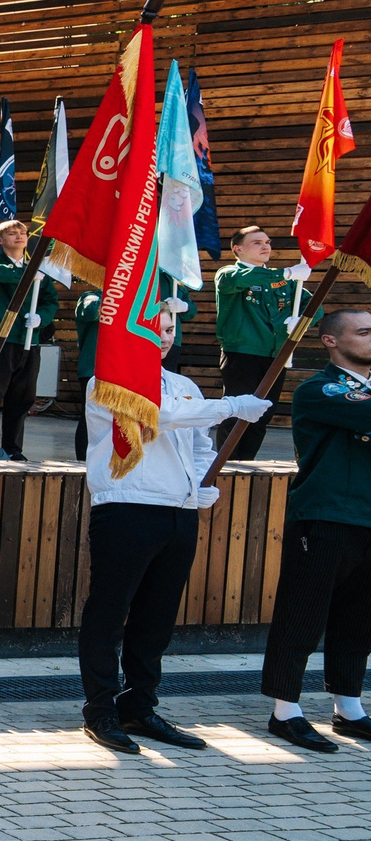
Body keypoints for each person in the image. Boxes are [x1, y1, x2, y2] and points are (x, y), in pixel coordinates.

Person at [76, 311, 266, 754]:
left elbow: (201, 442)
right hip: (127, 506)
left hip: (178, 512)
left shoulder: (184, 385)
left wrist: (202, 483)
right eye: (153, 329)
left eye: (168, 330)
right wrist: (232, 405)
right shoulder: (108, 381)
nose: (163, 338)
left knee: (156, 618)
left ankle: (139, 705)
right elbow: (160, 416)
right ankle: (100, 709)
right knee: (108, 613)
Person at [257, 307, 371, 752]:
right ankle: (285, 711)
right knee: (303, 613)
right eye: (363, 332)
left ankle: (349, 707)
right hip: (325, 515)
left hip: (366, 516)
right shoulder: (319, 388)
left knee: (359, 618)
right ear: (330, 341)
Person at [213, 226, 313, 437]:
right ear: (237, 249)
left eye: (267, 242)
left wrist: (301, 322)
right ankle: (228, 464)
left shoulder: (283, 280)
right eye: (257, 243)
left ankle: (247, 465)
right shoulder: (229, 273)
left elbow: (313, 305)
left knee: (262, 414)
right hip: (242, 353)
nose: (265, 246)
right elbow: (241, 280)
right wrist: (287, 272)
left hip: (276, 354)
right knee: (237, 412)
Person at [0, 219, 57, 458]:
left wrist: (41, 317)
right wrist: (28, 273)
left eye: (23, 233)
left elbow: (51, 300)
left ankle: (13, 448)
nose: (19, 236)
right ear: (0, 239)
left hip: (28, 339)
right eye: (12, 233)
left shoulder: (37, 271)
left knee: (22, 398)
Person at [71, 284, 101, 460]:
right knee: (89, 416)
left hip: (118, 367)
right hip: (92, 368)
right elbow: (89, 312)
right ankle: (82, 461)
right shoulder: (90, 296)